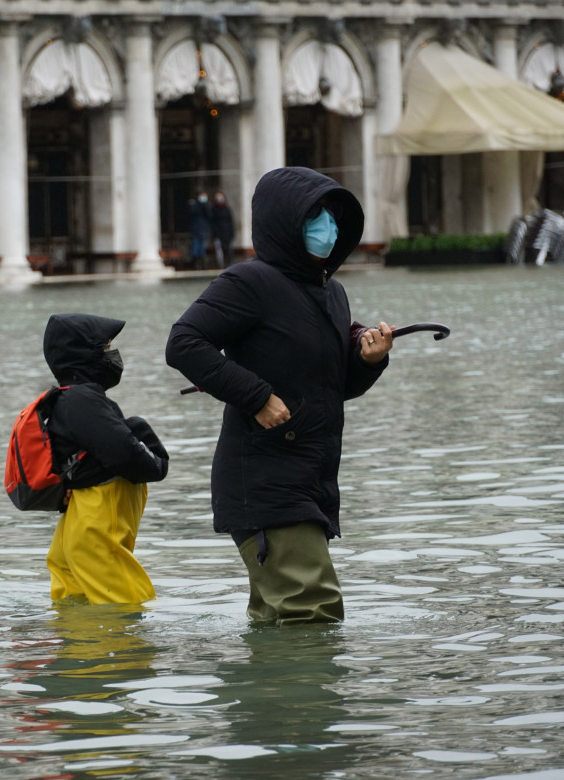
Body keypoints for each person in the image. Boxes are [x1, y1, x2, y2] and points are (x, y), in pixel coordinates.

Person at [164, 167, 393, 624]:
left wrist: (369, 361)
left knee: (280, 620)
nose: (327, 227)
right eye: (314, 216)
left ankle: (267, 697)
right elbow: (184, 343)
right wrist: (257, 397)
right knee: (312, 615)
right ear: (283, 221)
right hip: (265, 482)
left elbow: (329, 389)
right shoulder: (249, 281)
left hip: (312, 480)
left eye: (332, 216)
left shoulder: (332, 292)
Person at [42, 313, 170, 605]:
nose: (111, 355)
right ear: (83, 354)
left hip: (85, 504)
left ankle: (79, 644)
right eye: (105, 348)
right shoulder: (83, 399)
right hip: (99, 501)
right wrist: (156, 460)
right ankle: (128, 647)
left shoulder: (68, 397)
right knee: (116, 588)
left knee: (68, 570)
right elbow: (124, 453)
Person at [188, 192, 212, 269]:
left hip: (204, 230)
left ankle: (203, 264)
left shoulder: (207, 206)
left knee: (202, 248)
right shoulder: (195, 205)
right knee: (195, 247)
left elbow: (210, 215)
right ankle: (195, 264)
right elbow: (191, 213)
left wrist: (205, 206)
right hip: (195, 230)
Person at [211, 191, 235, 268]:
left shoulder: (227, 209)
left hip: (227, 232)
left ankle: (229, 262)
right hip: (218, 233)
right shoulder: (213, 209)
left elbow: (231, 221)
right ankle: (220, 264)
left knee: (228, 248)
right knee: (219, 250)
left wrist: (232, 232)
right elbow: (212, 222)